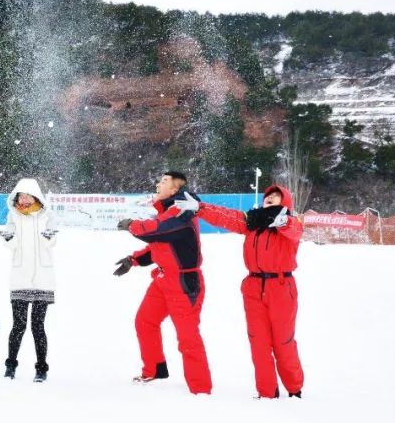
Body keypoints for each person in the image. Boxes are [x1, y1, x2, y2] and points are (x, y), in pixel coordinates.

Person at [187, 185, 305, 399]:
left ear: (285, 202)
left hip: (281, 287)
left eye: (276, 197)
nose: (270, 199)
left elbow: (295, 230)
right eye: (268, 196)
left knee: (283, 342)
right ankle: (267, 392)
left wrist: (284, 221)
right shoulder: (252, 223)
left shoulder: (291, 223)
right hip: (253, 288)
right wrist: (199, 208)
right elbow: (226, 217)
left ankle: (294, 388)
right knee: (258, 342)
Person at [113, 171, 211, 395]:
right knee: (145, 321)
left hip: (184, 283)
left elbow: (156, 231)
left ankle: (201, 389)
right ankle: (155, 369)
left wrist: (132, 225)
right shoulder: (168, 212)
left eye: (164, 181)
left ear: (175, 190)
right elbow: (159, 245)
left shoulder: (182, 212)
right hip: (162, 279)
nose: (158, 184)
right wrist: (133, 260)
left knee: (188, 337)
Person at [0, 178, 58, 382]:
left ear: (35, 196)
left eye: (26, 195)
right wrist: (8, 238)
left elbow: (52, 241)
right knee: (18, 325)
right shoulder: (13, 215)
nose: (23, 199)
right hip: (20, 277)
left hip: (42, 277)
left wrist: (48, 236)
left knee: (37, 326)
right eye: (20, 195)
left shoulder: (46, 215)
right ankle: (10, 366)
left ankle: (41, 368)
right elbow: (12, 245)